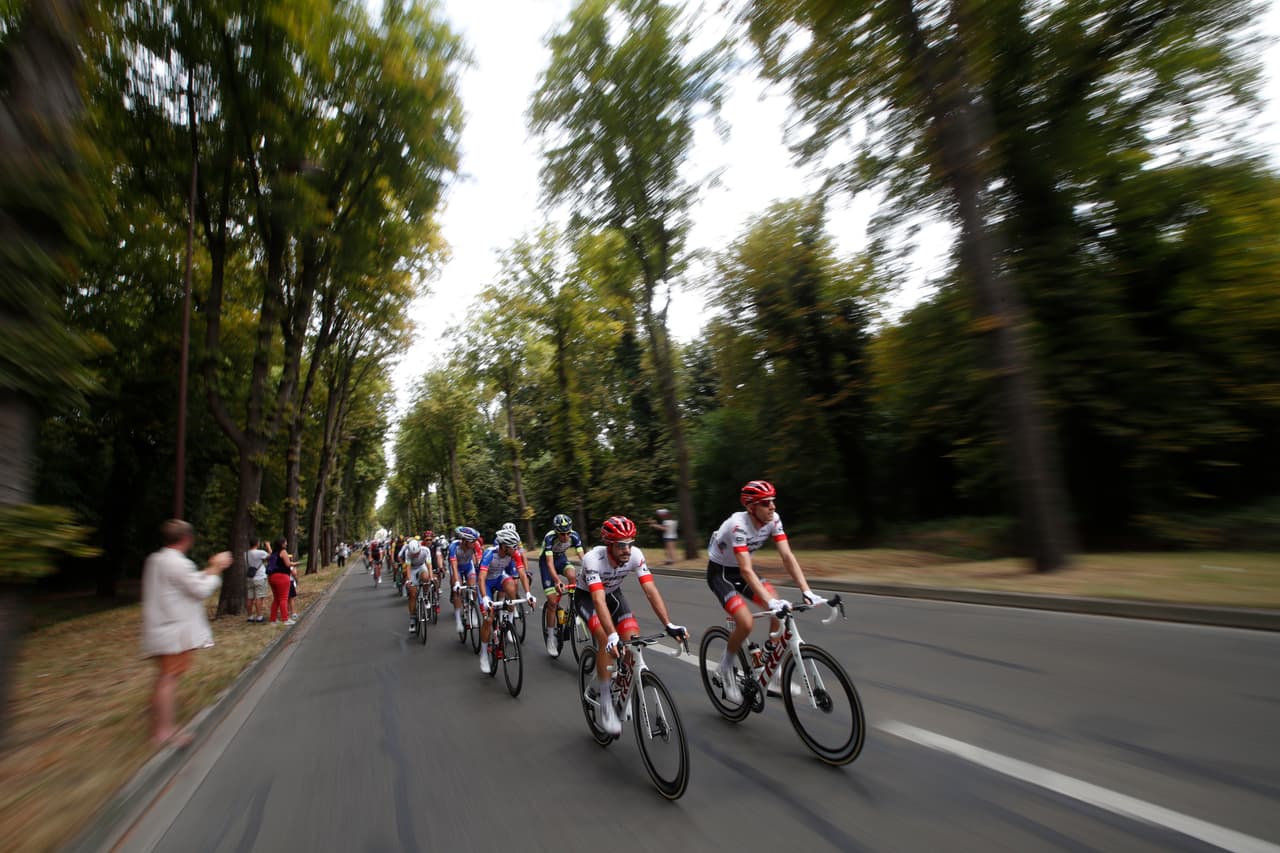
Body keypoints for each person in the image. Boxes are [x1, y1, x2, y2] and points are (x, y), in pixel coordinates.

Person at [705, 480, 825, 703]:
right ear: (751, 507)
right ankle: (724, 668)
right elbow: (745, 569)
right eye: (766, 503)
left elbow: (787, 556)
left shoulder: (773, 520)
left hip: (741, 572)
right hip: (721, 573)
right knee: (746, 622)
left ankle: (768, 666)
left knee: (780, 613)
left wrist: (806, 590)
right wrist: (769, 601)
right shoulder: (737, 525)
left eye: (773, 502)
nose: (772, 507)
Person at [578, 516, 686, 736]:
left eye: (630, 543)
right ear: (609, 544)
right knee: (605, 639)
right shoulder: (593, 560)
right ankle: (607, 700)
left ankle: (623, 680)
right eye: (620, 544)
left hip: (613, 595)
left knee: (633, 639)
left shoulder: (635, 556)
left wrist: (669, 623)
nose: (627, 549)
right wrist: (611, 635)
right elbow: (598, 600)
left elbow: (650, 590)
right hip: (588, 598)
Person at [140, 519, 231, 748]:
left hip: (159, 628)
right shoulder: (179, 563)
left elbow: (186, 583)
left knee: (163, 677)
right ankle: (164, 731)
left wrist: (209, 569)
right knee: (168, 680)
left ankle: (157, 721)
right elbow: (200, 590)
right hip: (174, 632)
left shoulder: (155, 560)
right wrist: (217, 568)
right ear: (187, 539)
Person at [476, 528, 537, 674]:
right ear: (504, 546)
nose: (516, 549)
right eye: (513, 546)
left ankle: (508, 622)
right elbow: (481, 578)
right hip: (486, 584)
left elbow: (521, 574)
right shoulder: (490, 554)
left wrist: (528, 594)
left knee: (511, 587)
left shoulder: (514, 554)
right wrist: (485, 598)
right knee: (489, 619)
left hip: (498, 578)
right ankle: (484, 654)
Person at [538, 512, 584, 657]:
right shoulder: (549, 538)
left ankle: (573, 606)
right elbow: (550, 564)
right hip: (547, 564)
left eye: (567, 533)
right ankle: (551, 637)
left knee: (572, 575)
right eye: (562, 534)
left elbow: (583, 557)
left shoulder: (574, 536)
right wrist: (557, 581)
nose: (565, 537)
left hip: (562, 560)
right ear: (556, 532)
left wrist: (591, 571)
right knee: (552, 602)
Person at [448, 526, 483, 633]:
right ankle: (458, 618)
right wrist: (457, 582)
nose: (475, 543)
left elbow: (480, 559)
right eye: (472, 541)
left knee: (473, 589)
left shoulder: (475, 544)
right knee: (457, 590)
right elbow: (453, 564)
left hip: (468, 566)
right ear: (464, 540)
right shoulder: (453, 546)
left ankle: (472, 612)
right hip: (456, 568)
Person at [400, 537, 435, 633]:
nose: (415, 555)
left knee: (426, 577)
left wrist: (431, 578)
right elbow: (408, 568)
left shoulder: (425, 550)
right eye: (413, 554)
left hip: (422, 566)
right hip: (412, 569)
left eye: (417, 554)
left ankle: (426, 596)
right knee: (412, 594)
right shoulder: (408, 553)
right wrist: (409, 580)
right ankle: (412, 619)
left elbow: (429, 565)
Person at [266, 538, 297, 624]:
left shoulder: (273, 553)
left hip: (271, 577)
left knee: (276, 599)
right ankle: (285, 619)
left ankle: (273, 619)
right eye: (285, 542)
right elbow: (287, 564)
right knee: (283, 598)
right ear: (282, 544)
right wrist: (295, 564)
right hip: (282, 576)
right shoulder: (283, 552)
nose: (286, 544)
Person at [245, 539, 270, 623]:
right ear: (257, 543)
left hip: (250, 577)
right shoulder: (260, 552)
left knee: (250, 598)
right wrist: (268, 546)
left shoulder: (245, 554)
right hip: (259, 577)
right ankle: (259, 616)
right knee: (259, 597)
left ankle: (250, 616)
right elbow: (271, 556)